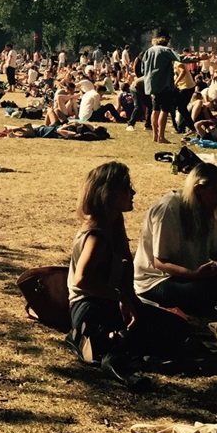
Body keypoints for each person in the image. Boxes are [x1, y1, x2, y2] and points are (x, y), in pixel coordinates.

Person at [67, 162, 188, 386]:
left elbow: (123, 271)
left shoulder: (115, 224)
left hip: (109, 301)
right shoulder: (97, 235)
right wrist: (120, 298)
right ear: (108, 194)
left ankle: (108, 344)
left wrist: (132, 301)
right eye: (126, 189)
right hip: (91, 306)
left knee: (177, 328)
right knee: (150, 334)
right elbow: (82, 280)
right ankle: (109, 350)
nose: (133, 193)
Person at [132, 162, 217, 317]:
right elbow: (160, 262)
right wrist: (193, 274)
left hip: (193, 275)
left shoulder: (207, 208)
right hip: (157, 281)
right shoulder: (168, 209)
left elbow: (216, 252)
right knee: (203, 291)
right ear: (198, 189)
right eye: (216, 193)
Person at [139, 30, 184, 144]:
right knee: (164, 109)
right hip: (164, 84)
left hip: (152, 85)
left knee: (155, 109)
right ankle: (161, 137)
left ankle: (155, 136)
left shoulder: (148, 51)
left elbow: (143, 70)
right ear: (164, 39)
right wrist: (199, 58)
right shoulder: (165, 50)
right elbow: (180, 59)